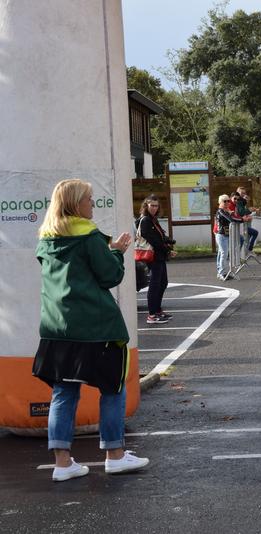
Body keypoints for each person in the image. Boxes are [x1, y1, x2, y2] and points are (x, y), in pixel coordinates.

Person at [33, 178, 149, 482]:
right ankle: (115, 455)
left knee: (64, 392)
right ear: (75, 204)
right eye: (89, 199)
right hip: (97, 328)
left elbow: (74, 267)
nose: (92, 204)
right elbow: (110, 276)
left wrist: (104, 245)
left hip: (56, 328)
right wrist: (117, 251)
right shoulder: (89, 236)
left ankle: (63, 463)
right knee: (112, 388)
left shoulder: (46, 238)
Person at [138, 195, 176, 324]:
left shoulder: (153, 219)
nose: (154, 208)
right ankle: (152, 315)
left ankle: (158, 311)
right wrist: (168, 249)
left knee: (162, 283)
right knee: (155, 285)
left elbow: (160, 236)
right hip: (153, 256)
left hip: (159, 256)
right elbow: (153, 240)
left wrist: (170, 241)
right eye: (152, 205)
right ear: (146, 206)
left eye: (156, 205)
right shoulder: (145, 220)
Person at [215, 194, 234, 281]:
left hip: (224, 234)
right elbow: (231, 220)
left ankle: (220, 272)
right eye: (224, 201)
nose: (227, 203)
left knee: (221, 253)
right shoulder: (220, 211)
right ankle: (222, 273)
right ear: (220, 202)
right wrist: (230, 214)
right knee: (224, 254)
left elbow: (231, 218)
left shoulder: (225, 211)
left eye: (228, 201)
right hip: (221, 234)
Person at [236, 186, 260, 252]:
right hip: (239, 225)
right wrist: (250, 211)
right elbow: (241, 213)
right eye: (242, 193)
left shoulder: (242, 202)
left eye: (244, 193)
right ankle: (247, 251)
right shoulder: (238, 202)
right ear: (237, 193)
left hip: (244, 224)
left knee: (246, 238)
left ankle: (248, 251)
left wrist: (251, 213)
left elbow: (244, 213)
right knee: (243, 240)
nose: (243, 195)